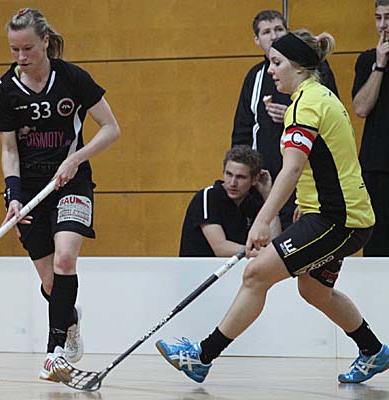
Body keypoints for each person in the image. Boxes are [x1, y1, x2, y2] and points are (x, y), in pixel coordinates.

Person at [157, 29, 388, 384]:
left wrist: (262, 220)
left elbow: (292, 168)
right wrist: (305, 203)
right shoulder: (320, 95)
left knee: (255, 274)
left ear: (298, 66)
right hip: (341, 215)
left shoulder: (305, 105)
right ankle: (373, 351)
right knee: (314, 289)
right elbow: (328, 160)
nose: (270, 71)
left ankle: (201, 357)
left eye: (277, 63)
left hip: (337, 220)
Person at [0, 8, 120, 382]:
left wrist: (76, 159)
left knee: (65, 258)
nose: (21, 57)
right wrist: (13, 196)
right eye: (14, 49)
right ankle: (70, 320)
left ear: (45, 42)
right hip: (30, 192)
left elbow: (111, 129)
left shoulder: (72, 78)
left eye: (28, 48)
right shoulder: (5, 89)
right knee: (51, 284)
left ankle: (54, 353)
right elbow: (9, 150)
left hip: (72, 184)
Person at [232, 10, 339, 230]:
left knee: (272, 250)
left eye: (279, 30)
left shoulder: (308, 100)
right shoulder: (255, 76)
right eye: (266, 32)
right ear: (256, 39)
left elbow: (295, 166)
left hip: (308, 184)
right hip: (270, 178)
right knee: (267, 248)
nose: (274, 36)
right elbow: (242, 132)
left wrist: (292, 115)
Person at [179, 145, 280, 257]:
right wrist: (267, 254)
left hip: (237, 267)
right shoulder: (209, 196)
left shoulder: (251, 203)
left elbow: (273, 242)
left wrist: (268, 195)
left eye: (240, 177)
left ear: (255, 179)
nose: (232, 183)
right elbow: (220, 248)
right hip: (199, 267)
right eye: (229, 174)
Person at [352, 0, 389, 256]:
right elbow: (361, 108)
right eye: (378, 18)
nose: (383, 25)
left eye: (388, 17)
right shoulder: (367, 60)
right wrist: (380, 65)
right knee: (377, 247)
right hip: (377, 167)